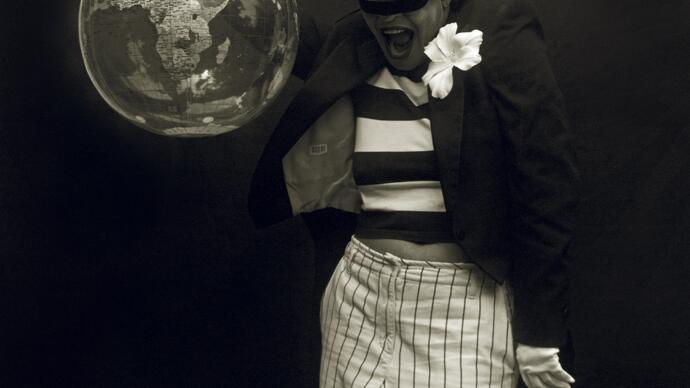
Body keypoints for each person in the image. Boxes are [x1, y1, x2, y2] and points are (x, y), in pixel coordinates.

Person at [248, 0, 580, 386]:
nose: (388, 17)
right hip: (358, 300)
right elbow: (273, 27)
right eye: (375, 5)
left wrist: (540, 333)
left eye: (405, 3)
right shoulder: (353, 38)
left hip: (461, 311)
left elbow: (546, 186)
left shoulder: (498, 30)